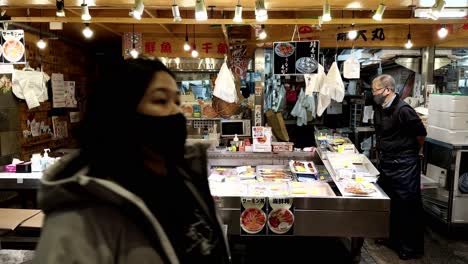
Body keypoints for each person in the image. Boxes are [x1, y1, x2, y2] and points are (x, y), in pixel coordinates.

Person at [33, 58, 230, 264]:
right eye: (161, 101)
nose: (176, 112)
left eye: (177, 102)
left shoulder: (185, 178)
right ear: (121, 111)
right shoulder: (80, 215)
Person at [372, 74, 427, 260]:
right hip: (387, 161)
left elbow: (421, 133)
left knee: (408, 205)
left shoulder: (404, 110)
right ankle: (393, 239)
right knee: (391, 202)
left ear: (388, 90)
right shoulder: (380, 107)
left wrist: (412, 152)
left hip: (405, 164)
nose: (374, 94)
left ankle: (411, 248)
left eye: (376, 90)